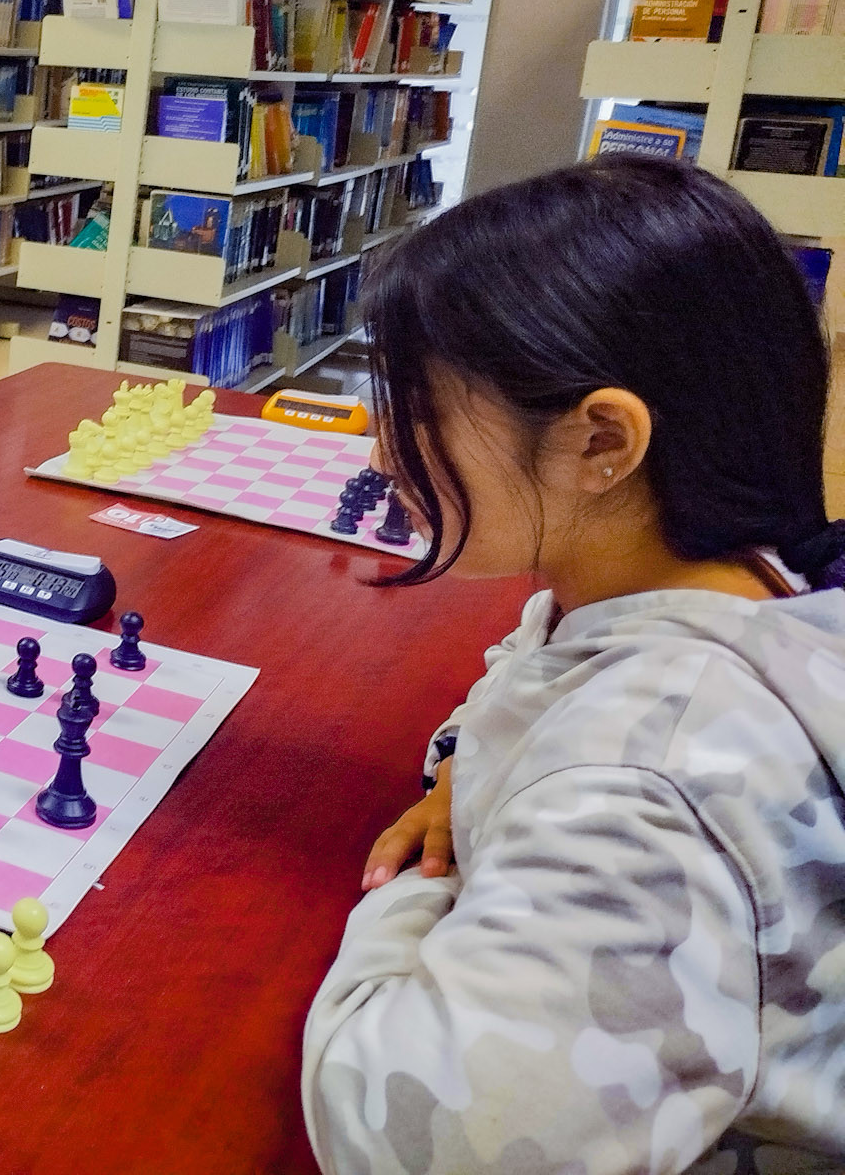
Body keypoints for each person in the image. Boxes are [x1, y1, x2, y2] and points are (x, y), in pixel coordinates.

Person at [302, 153, 845, 1171]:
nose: (381, 453)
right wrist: (468, 770)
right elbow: (526, 667)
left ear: (601, 441)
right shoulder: (739, 577)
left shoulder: (645, 786)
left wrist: (424, 883)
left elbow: (397, 1142)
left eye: (417, 410)